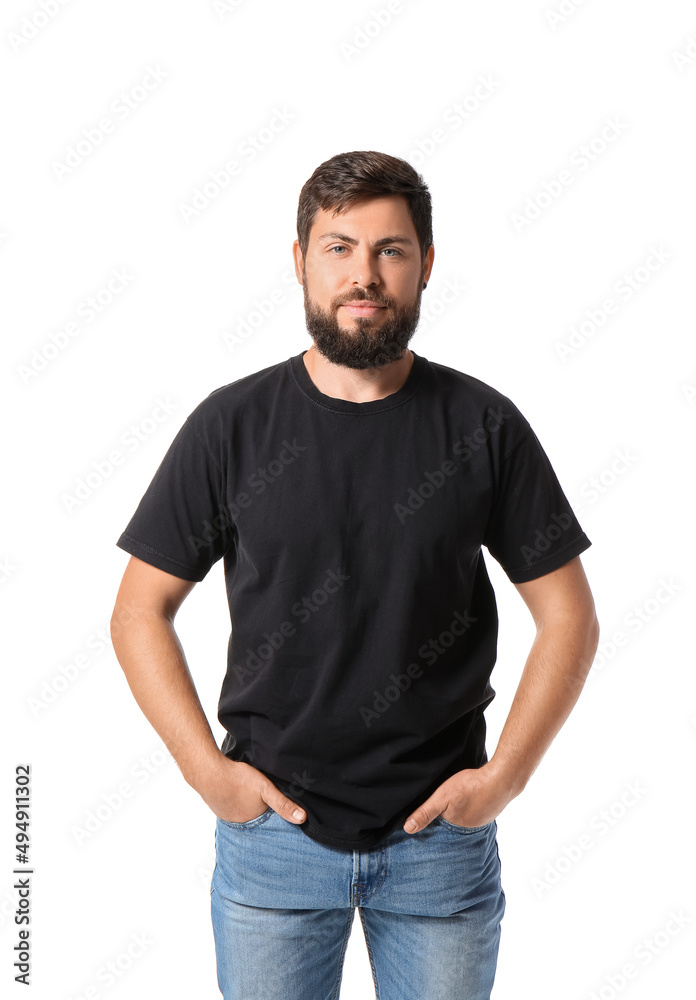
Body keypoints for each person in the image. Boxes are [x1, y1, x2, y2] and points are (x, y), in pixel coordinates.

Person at [110, 150, 600, 1000]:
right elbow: (138, 611)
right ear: (299, 260)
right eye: (339, 247)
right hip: (273, 845)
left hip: (437, 846)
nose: (363, 275)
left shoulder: (484, 426)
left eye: (390, 250)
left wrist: (505, 779)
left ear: (426, 265)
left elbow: (569, 617)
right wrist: (207, 773)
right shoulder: (231, 427)